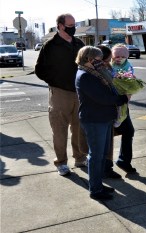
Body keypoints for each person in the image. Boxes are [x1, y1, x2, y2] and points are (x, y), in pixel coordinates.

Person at [35, 13, 88, 176]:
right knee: (59, 129)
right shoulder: (50, 45)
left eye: (74, 25)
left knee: (79, 128)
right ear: (60, 26)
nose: (73, 29)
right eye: (70, 26)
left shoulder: (79, 43)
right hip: (60, 93)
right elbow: (39, 70)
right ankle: (61, 162)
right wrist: (56, 82)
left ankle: (79, 158)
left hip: (79, 92)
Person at [75, 46, 129, 200]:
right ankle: (95, 190)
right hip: (94, 120)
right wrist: (121, 99)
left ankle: (97, 184)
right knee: (96, 155)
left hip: (103, 118)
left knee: (101, 154)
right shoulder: (85, 75)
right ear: (89, 60)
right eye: (98, 60)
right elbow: (102, 98)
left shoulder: (94, 72)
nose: (102, 62)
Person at [95, 45, 123, 179]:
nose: (107, 63)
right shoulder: (94, 72)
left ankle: (108, 167)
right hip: (100, 114)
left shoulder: (107, 69)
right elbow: (102, 95)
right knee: (100, 145)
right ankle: (102, 171)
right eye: (105, 61)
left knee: (108, 143)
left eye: (108, 60)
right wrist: (118, 99)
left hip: (110, 112)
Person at [110, 44, 137, 174]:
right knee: (108, 135)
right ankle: (106, 164)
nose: (119, 59)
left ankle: (124, 161)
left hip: (123, 102)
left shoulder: (128, 66)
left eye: (122, 56)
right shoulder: (108, 66)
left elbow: (130, 77)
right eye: (116, 56)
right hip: (111, 104)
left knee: (128, 131)